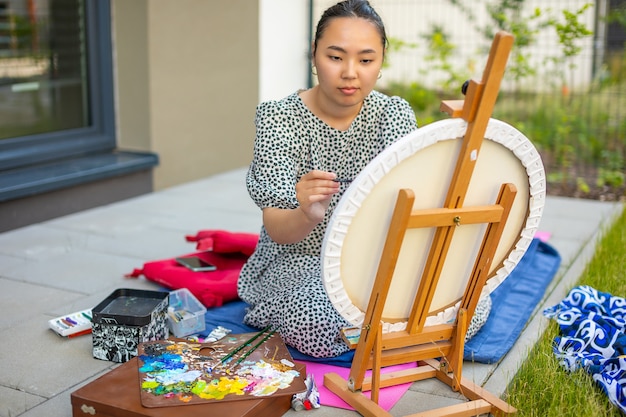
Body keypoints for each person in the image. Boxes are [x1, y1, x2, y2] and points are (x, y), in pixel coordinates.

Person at [237, 0, 419, 358]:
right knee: (315, 320)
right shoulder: (279, 119)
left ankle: (373, 326)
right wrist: (306, 212)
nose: (351, 72)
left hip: (374, 258)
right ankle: (389, 328)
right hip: (300, 260)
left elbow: (414, 198)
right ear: (314, 55)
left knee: (464, 302)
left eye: (366, 60)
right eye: (336, 57)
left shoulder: (393, 114)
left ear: (381, 63)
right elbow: (278, 228)